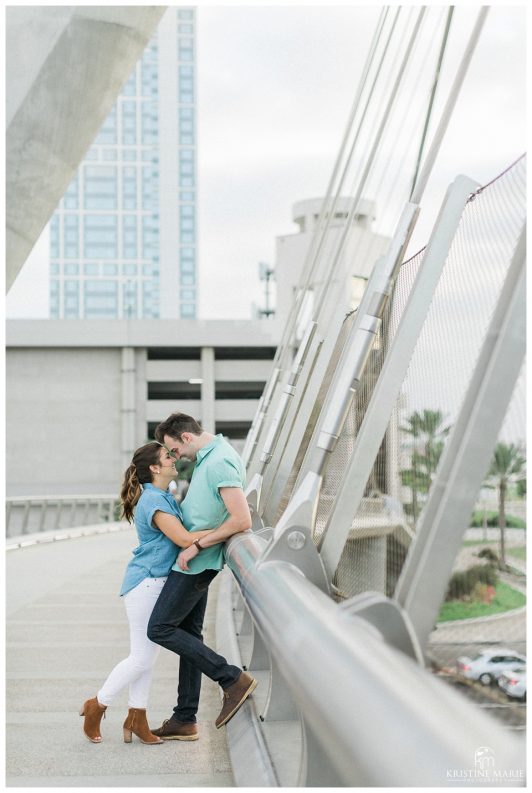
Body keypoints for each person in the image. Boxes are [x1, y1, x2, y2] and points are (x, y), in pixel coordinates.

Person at [79, 441, 214, 745]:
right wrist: (227, 529)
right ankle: (97, 705)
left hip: (153, 583)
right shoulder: (154, 500)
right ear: (154, 468)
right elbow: (182, 537)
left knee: (145, 657)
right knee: (141, 658)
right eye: (167, 456)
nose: (172, 459)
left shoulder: (162, 495)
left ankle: (137, 718)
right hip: (147, 584)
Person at [147, 412, 257, 741]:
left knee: (160, 628)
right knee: (189, 635)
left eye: (174, 450)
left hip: (197, 563)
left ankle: (231, 679)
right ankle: (185, 718)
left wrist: (196, 544)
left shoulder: (220, 460)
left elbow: (241, 519)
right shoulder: (211, 457)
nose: (175, 458)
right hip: (195, 560)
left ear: (186, 438)